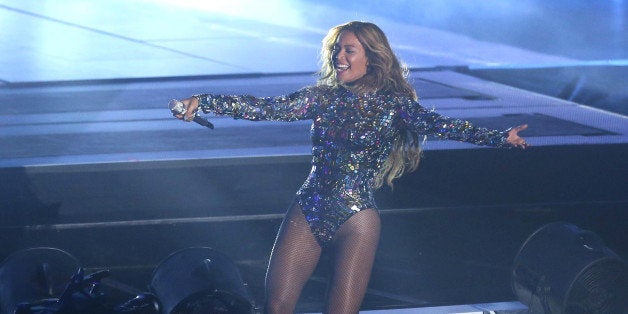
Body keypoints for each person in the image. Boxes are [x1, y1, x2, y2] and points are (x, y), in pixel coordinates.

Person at [172, 21, 529, 314]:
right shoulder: (322, 96)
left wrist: (500, 137)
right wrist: (204, 101)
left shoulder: (394, 105)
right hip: (310, 207)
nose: (338, 57)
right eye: (336, 49)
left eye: (348, 50)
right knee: (276, 307)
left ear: (371, 58)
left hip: (357, 217)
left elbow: (443, 125)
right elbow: (267, 108)